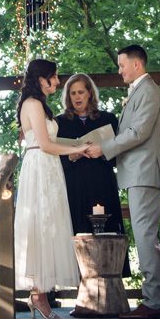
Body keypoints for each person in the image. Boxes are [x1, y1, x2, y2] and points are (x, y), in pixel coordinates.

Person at [87, 45, 160, 319]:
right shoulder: (139, 91)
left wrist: (105, 148)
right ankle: (153, 299)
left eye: (122, 65)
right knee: (144, 236)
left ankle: (154, 302)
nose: (119, 70)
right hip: (137, 173)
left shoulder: (148, 91)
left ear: (136, 64)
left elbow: (138, 132)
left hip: (144, 173)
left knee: (146, 237)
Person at [14, 58, 92, 319]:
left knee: (50, 224)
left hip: (50, 168)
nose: (58, 82)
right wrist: (77, 148)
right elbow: (45, 145)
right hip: (39, 167)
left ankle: (41, 293)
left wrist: (72, 151)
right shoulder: (33, 104)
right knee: (39, 224)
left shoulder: (42, 106)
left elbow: (51, 142)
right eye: (54, 77)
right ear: (41, 79)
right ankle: (38, 294)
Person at [56, 73, 130, 277]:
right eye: (72, 93)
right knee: (78, 233)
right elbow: (53, 160)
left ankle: (112, 287)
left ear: (90, 93)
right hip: (75, 187)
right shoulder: (60, 123)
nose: (77, 97)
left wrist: (102, 149)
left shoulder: (108, 119)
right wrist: (71, 155)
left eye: (81, 92)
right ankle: (82, 297)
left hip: (102, 184)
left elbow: (118, 156)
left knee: (107, 232)